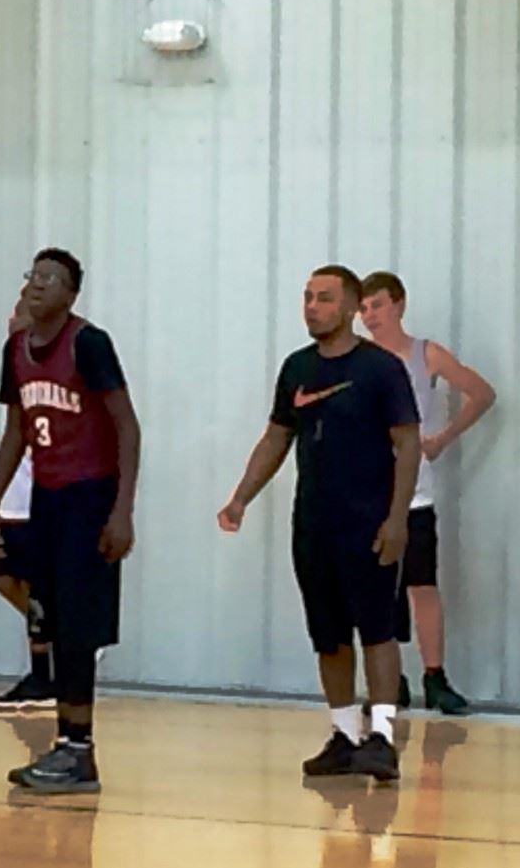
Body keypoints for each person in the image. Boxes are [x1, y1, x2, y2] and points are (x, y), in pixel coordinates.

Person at [218, 265, 421, 782]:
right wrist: (241, 497)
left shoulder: (380, 369)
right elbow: (276, 439)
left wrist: (398, 519)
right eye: (307, 297)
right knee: (327, 636)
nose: (312, 307)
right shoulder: (297, 368)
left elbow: (408, 443)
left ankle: (382, 737)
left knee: (376, 632)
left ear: (352, 307)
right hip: (313, 525)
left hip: (370, 523)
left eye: (324, 299)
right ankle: (345, 734)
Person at [0, 248, 141, 793]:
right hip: (46, 498)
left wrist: (123, 509)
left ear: (71, 294)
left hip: (89, 498)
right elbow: (15, 431)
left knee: (78, 624)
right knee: (46, 618)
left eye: (52, 278)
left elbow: (127, 426)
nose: (38, 284)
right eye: (33, 275)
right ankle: (66, 744)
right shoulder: (16, 350)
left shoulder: (88, 344)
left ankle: (79, 747)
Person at [360, 271, 495, 715]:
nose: (369, 315)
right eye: (362, 308)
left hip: (414, 494)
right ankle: (388, 681)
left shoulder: (425, 354)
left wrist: (441, 438)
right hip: (367, 496)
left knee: (422, 585)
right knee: (376, 590)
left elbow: (481, 393)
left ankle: (434, 677)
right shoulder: (359, 359)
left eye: (376, 305)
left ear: (398, 304)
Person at [0, 289, 54, 712]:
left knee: (40, 585)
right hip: (18, 488)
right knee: (4, 577)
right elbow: (13, 431)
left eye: (22, 309)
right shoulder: (14, 360)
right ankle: (61, 634)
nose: (13, 316)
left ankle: (44, 673)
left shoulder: (59, 358)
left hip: (44, 490)